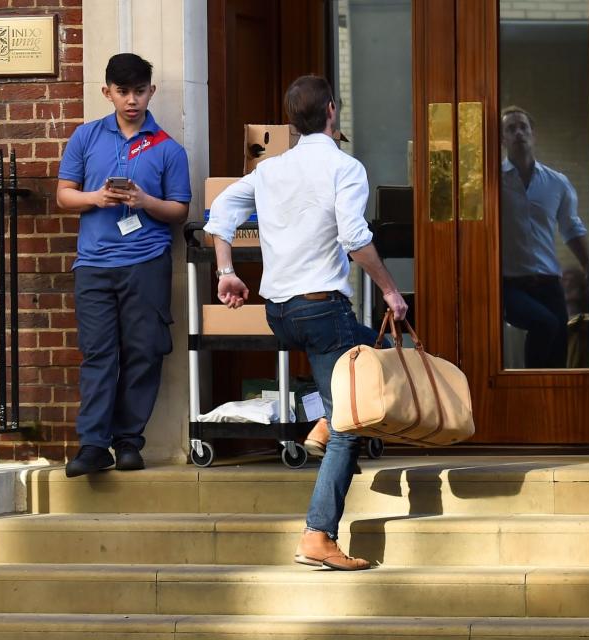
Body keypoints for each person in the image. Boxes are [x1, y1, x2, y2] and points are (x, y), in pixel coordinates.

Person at [205, 75, 407, 571]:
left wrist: (227, 273)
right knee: (348, 427)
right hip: (320, 309)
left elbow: (221, 211)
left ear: (293, 121)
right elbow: (354, 236)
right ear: (333, 112)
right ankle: (318, 535)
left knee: (375, 351)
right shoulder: (345, 167)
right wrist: (389, 288)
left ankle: (321, 420)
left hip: (283, 315)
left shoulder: (270, 170)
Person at [56, 53, 191, 477]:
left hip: (146, 262)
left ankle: (129, 441)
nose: (131, 100)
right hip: (93, 264)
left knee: (143, 352)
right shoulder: (85, 137)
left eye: (138, 91)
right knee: (98, 354)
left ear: (151, 91)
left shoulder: (169, 149)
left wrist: (143, 201)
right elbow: (64, 195)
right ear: (107, 92)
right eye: (122, 91)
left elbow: (180, 211)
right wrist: (97, 197)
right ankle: (93, 445)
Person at [500, 106, 589, 368]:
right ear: (503, 139)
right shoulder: (493, 183)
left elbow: (572, 228)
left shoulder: (556, 183)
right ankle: (530, 396)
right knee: (544, 324)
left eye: (523, 127)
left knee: (560, 345)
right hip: (510, 283)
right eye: (511, 129)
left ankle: (553, 406)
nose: (518, 133)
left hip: (549, 281)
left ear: (533, 134)